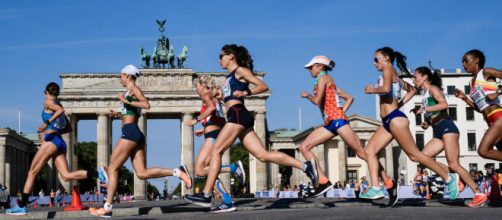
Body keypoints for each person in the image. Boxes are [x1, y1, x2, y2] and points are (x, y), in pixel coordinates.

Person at [185, 44, 317, 208]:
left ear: (231, 56)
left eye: (221, 56)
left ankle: (206, 195)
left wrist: (246, 93)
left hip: (238, 114)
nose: (219, 59)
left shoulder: (240, 71)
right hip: (238, 116)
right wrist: (217, 95)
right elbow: (224, 96)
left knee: (216, 150)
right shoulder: (228, 78)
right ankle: (306, 166)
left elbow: (263, 85)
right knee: (262, 155)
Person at [89, 64, 192, 218]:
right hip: (134, 132)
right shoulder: (129, 92)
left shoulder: (134, 90)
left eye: (121, 75)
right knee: (142, 173)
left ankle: (107, 207)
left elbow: (146, 104)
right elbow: (131, 113)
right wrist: (117, 115)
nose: (120, 78)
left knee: (112, 168)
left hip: (130, 132)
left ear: (127, 75)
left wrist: (126, 100)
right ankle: (177, 171)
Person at [361, 47, 459, 205]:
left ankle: (448, 177)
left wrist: (372, 90)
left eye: (376, 59)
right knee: (370, 151)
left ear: (386, 59)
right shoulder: (394, 75)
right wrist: (398, 104)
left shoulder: (388, 69)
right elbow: (412, 90)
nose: (374, 63)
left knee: (415, 156)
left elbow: (386, 89)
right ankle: (376, 188)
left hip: (395, 119)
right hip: (388, 120)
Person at [299, 55, 392, 198]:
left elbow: (317, 101)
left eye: (311, 67)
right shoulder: (325, 82)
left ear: (320, 66)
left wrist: (308, 96)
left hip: (338, 121)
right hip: (331, 123)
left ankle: (388, 182)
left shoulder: (324, 79)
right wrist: (341, 111)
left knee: (362, 153)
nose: (309, 70)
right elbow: (350, 97)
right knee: (304, 147)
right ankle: (323, 181)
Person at [7, 82, 92, 216]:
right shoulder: (59, 103)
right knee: (66, 175)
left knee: (32, 172)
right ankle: (98, 174)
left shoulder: (49, 102)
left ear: (46, 92)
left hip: (51, 142)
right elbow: (68, 128)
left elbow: (60, 111)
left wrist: (46, 126)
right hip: (60, 143)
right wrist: (52, 129)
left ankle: (22, 206)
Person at [411, 66, 487, 207]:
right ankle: (453, 178)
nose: (413, 80)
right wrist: (427, 123)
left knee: (453, 163)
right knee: (421, 157)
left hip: (447, 127)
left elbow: (444, 105)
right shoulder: (424, 95)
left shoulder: (433, 89)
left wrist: (424, 109)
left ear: (425, 77)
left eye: (415, 77)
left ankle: (479, 193)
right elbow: (434, 113)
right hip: (437, 130)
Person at [186, 75, 246, 213]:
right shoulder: (215, 96)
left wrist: (196, 119)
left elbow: (211, 108)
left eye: (197, 86)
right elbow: (219, 118)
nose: (196, 89)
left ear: (202, 86)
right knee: (210, 171)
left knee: (200, 169)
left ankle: (232, 168)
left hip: (212, 137)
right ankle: (227, 200)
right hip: (215, 133)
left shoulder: (205, 95)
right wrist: (205, 127)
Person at [454, 49, 502, 161]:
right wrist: (465, 99)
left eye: (466, 60)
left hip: (498, 117)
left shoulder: (486, 72)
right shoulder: (471, 82)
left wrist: (498, 91)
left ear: (476, 60)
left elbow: (493, 96)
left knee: (483, 150)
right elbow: (481, 108)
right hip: (490, 121)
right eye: (462, 62)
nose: (463, 64)